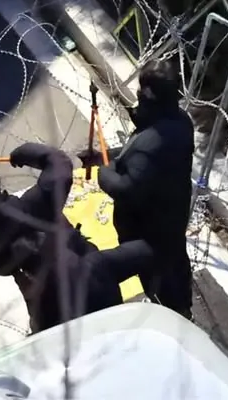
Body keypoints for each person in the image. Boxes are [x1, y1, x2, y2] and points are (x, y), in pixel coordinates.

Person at [0, 142, 153, 334]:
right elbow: (60, 164)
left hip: (50, 316)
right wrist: (27, 153)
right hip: (91, 285)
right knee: (150, 251)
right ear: (3, 193)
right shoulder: (33, 206)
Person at [79, 59, 196, 318]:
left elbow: (126, 188)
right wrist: (105, 156)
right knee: (174, 270)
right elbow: (139, 156)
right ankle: (180, 310)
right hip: (171, 224)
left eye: (143, 90)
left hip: (149, 236)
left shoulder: (152, 140)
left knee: (153, 279)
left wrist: (102, 171)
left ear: (151, 95)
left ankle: (173, 319)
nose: (138, 96)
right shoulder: (179, 122)